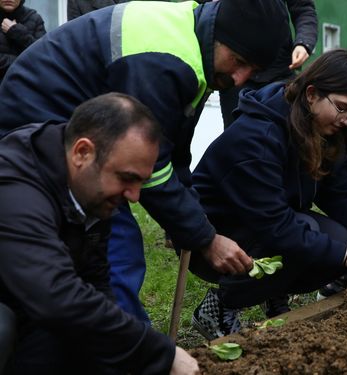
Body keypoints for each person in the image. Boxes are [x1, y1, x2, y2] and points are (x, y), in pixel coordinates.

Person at [0, 0, 289, 322]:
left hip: (74, 123)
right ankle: (124, 349)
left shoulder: (194, 40)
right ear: (219, 38)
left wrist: (190, 219)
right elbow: (152, 170)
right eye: (238, 61)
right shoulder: (167, 62)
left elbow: (173, 149)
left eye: (252, 71)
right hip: (37, 123)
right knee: (117, 251)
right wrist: (204, 238)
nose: (239, 79)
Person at [187, 50, 347, 339]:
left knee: (342, 239)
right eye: (342, 108)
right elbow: (278, 228)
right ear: (311, 94)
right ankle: (219, 307)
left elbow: (343, 195)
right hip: (214, 241)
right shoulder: (258, 138)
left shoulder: (317, 130)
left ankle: (274, 292)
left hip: (265, 226)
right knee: (314, 239)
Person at [0, 93, 199, 375]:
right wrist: (159, 353)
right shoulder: (15, 187)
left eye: (141, 181)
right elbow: (55, 295)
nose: (134, 196)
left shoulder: (86, 187)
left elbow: (94, 283)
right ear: (83, 152)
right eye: (127, 178)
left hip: (27, 301)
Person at [219, 0, 317, 129]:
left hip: (279, 71)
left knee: (288, 133)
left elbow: (303, 8)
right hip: (234, 70)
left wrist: (304, 43)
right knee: (236, 136)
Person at [0, 0, 45, 82]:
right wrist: (24, 63)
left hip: (26, 84)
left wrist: (17, 32)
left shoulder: (35, 19)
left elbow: (42, 56)